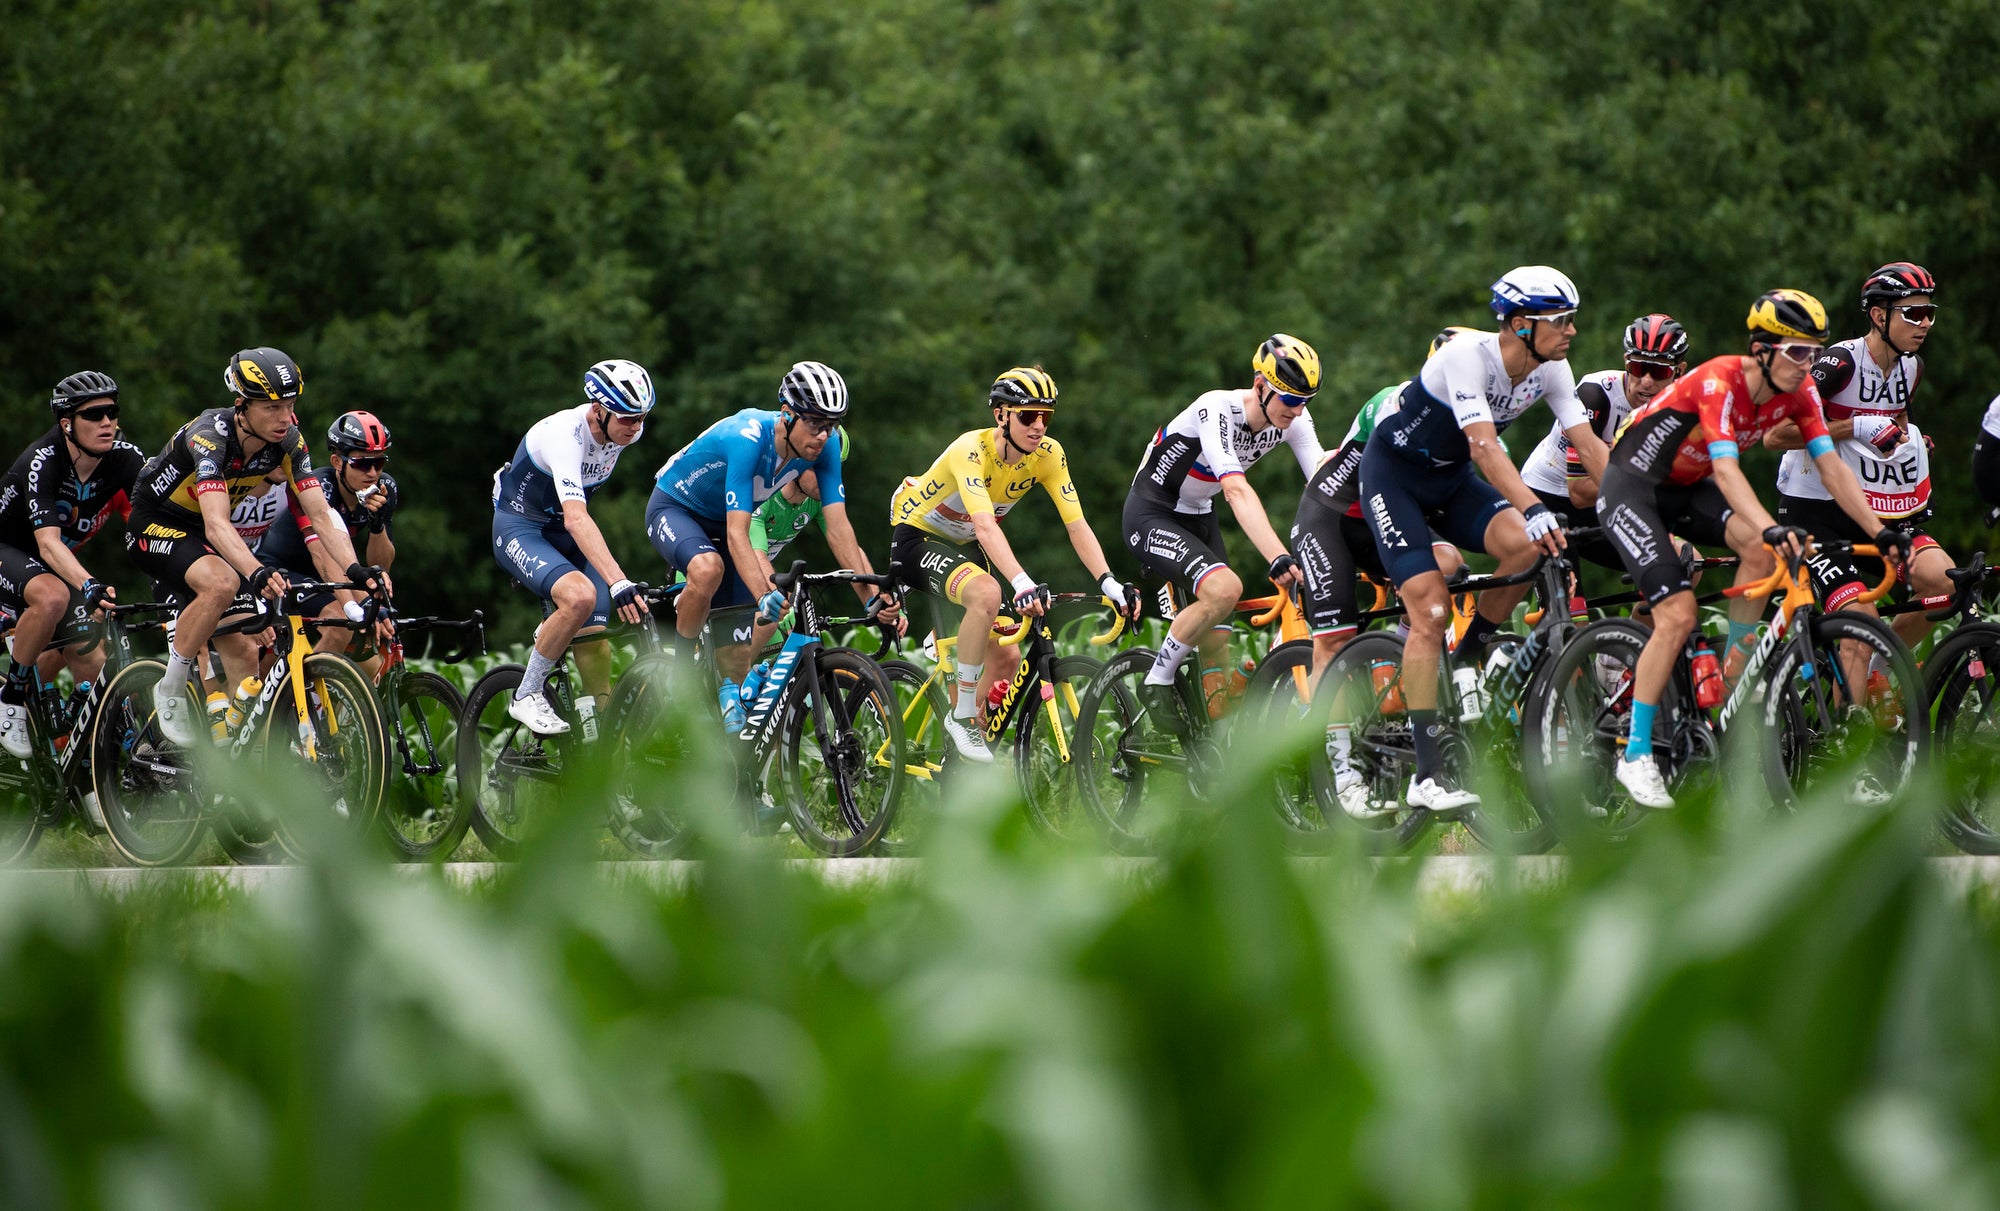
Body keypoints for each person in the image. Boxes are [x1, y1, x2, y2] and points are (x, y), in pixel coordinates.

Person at [1597, 289, 1909, 809]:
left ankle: (1734, 669)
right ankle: (1635, 754)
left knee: (1762, 554)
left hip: (1687, 484)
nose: (1806, 363)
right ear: (1762, 349)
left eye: (1813, 351)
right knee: (1677, 614)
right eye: (1796, 352)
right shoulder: (1721, 379)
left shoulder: (1800, 391)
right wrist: (1770, 526)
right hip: (1633, 485)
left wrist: (1880, 531)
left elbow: (1832, 468)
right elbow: (1727, 470)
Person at [1359, 267, 1605, 812]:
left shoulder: (1553, 369)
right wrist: (1535, 505)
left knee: (1527, 545)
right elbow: (1485, 449)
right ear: (1520, 325)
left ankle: (1469, 655)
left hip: (1449, 482)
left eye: (1572, 321)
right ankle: (1426, 775)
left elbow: (1587, 444)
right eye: (1560, 321)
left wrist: (1632, 503)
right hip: (1395, 477)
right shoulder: (1466, 356)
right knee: (1430, 613)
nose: (1570, 332)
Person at [125, 347, 378, 746]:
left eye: (291, 405)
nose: (286, 418)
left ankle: (238, 764)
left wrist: (356, 572)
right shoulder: (210, 436)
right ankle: (171, 688)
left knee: (244, 652)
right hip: (156, 523)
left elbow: (321, 514)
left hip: (209, 539)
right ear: (241, 404)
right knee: (223, 582)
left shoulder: (290, 442)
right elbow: (216, 523)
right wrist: (257, 571)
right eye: (273, 408)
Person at [889, 366, 1138, 761]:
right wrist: (1022, 582)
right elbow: (986, 527)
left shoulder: (1048, 455)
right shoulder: (970, 450)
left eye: (1046, 416)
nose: (1038, 426)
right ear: (1001, 415)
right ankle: (963, 715)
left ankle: (961, 755)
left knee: (1006, 654)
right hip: (917, 537)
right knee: (987, 593)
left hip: (966, 543)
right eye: (1027, 415)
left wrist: (1108, 582)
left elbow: (1077, 525)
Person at [647, 361, 894, 732]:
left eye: (831, 426)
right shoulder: (748, 438)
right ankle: (681, 679)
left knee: (735, 664)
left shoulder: (823, 450)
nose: (823, 436)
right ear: (787, 416)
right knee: (708, 568)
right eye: (814, 423)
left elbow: (841, 532)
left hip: (728, 526)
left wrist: (872, 598)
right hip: (678, 508)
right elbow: (738, 535)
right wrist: (765, 594)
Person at [1291, 329, 1468, 818]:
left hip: (1379, 521)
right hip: (1330, 517)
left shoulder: (1474, 419)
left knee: (1450, 564)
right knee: (1334, 638)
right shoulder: (1392, 402)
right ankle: (1340, 769)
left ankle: (1396, 651)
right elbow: (1343, 457)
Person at [1122, 335, 1324, 734]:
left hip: (1199, 514)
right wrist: (1277, 556)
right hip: (1151, 513)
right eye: (1289, 398)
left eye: (1306, 400)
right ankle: (1156, 679)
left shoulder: (1295, 419)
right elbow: (1235, 490)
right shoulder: (1216, 407)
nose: (1297, 410)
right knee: (1224, 590)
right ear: (1260, 385)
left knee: (1217, 649)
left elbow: (1322, 482)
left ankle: (1208, 755)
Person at [1768, 263, 1950, 649]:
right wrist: (1857, 427)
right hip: (1814, 510)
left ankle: (1883, 675)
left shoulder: (1911, 368)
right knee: (1858, 629)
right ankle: (1849, 702)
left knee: (1945, 582)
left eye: (1929, 313)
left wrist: (1908, 440)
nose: (1925, 324)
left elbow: (1897, 415)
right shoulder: (1840, 363)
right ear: (1879, 316)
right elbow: (1776, 435)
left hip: (1872, 508)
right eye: (1914, 313)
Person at [491, 359, 656, 735]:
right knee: (581, 598)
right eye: (627, 418)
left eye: (642, 418)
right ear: (598, 411)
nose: (635, 427)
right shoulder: (566, 434)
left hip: (564, 537)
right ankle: (526, 694)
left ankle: (605, 745)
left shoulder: (625, 432)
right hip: (522, 529)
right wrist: (618, 582)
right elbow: (576, 518)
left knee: (596, 642)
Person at [0, 372, 147, 756]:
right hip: (12, 551)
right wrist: (89, 584)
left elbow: (156, 521)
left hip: (49, 566)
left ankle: (91, 777)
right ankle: (11, 698)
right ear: (66, 424)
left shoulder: (125, 458)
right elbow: (47, 545)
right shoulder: (43, 460)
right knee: (51, 597)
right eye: (94, 415)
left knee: (92, 659)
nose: (107, 423)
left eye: (112, 412)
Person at [1519, 313, 1690, 571]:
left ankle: (1649, 610)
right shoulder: (1595, 395)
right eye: (1637, 368)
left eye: (1658, 371)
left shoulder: (1681, 408)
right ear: (1625, 363)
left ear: (1679, 371)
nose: (1646, 381)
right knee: (1569, 604)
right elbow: (1579, 493)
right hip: (1546, 496)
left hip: (1601, 501)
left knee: (1683, 563)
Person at [260, 410, 398, 660]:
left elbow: (380, 566)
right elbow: (323, 554)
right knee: (340, 622)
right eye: (362, 463)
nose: (372, 473)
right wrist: (360, 604)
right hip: (282, 568)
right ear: (337, 462)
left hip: (325, 572)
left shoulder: (384, 489)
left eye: (379, 462)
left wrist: (376, 525)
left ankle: (313, 691)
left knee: (371, 655)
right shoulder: (318, 486)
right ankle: (298, 695)